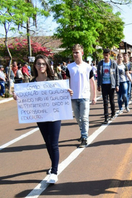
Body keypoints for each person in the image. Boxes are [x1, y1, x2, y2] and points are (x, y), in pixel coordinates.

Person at [14, 55, 73, 184]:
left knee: (54, 143)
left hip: (55, 115)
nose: (41, 66)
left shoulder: (54, 79)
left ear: (47, 65)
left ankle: (54, 172)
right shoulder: (32, 83)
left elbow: (63, 92)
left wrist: (68, 92)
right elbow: (27, 101)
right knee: (47, 142)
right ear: (34, 66)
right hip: (41, 116)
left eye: (43, 64)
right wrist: (18, 97)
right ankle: (53, 165)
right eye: (38, 64)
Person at [66, 44, 97, 148]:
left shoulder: (88, 67)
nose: (75, 54)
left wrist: (94, 96)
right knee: (78, 118)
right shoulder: (69, 67)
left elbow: (92, 81)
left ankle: (84, 137)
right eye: (74, 52)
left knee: (84, 117)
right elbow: (67, 81)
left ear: (82, 53)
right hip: (74, 97)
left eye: (77, 52)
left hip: (84, 96)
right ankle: (82, 132)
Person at [97, 48, 119, 123]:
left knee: (111, 100)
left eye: (107, 55)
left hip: (111, 84)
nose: (106, 56)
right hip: (104, 84)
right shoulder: (100, 63)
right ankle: (106, 116)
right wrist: (98, 85)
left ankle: (113, 113)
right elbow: (99, 75)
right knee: (105, 101)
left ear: (109, 55)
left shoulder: (113, 63)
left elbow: (116, 74)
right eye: (105, 55)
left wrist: (117, 85)